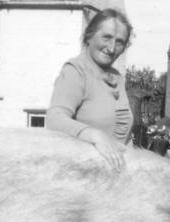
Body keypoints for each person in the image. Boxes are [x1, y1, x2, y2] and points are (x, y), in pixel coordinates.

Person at [46, 8, 134, 172]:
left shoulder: (117, 78)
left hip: (116, 179)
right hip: (81, 176)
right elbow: (54, 119)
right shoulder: (76, 71)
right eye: (106, 37)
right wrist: (95, 136)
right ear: (89, 36)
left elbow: (125, 137)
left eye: (120, 41)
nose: (112, 48)